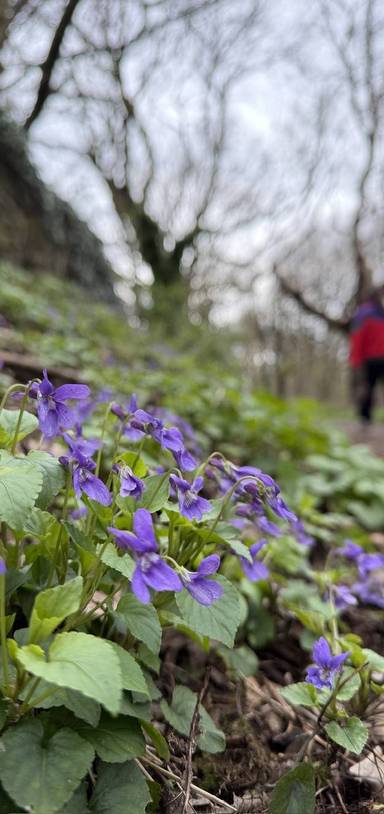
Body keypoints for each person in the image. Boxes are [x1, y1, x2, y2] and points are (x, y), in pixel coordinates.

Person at [349, 286, 384, 423]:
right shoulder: (364, 313)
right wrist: (356, 359)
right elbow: (357, 336)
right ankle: (365, 418)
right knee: (368, 386)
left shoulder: (381, 313)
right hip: (370, 357)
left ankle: (365, 418)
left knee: (369, 385)